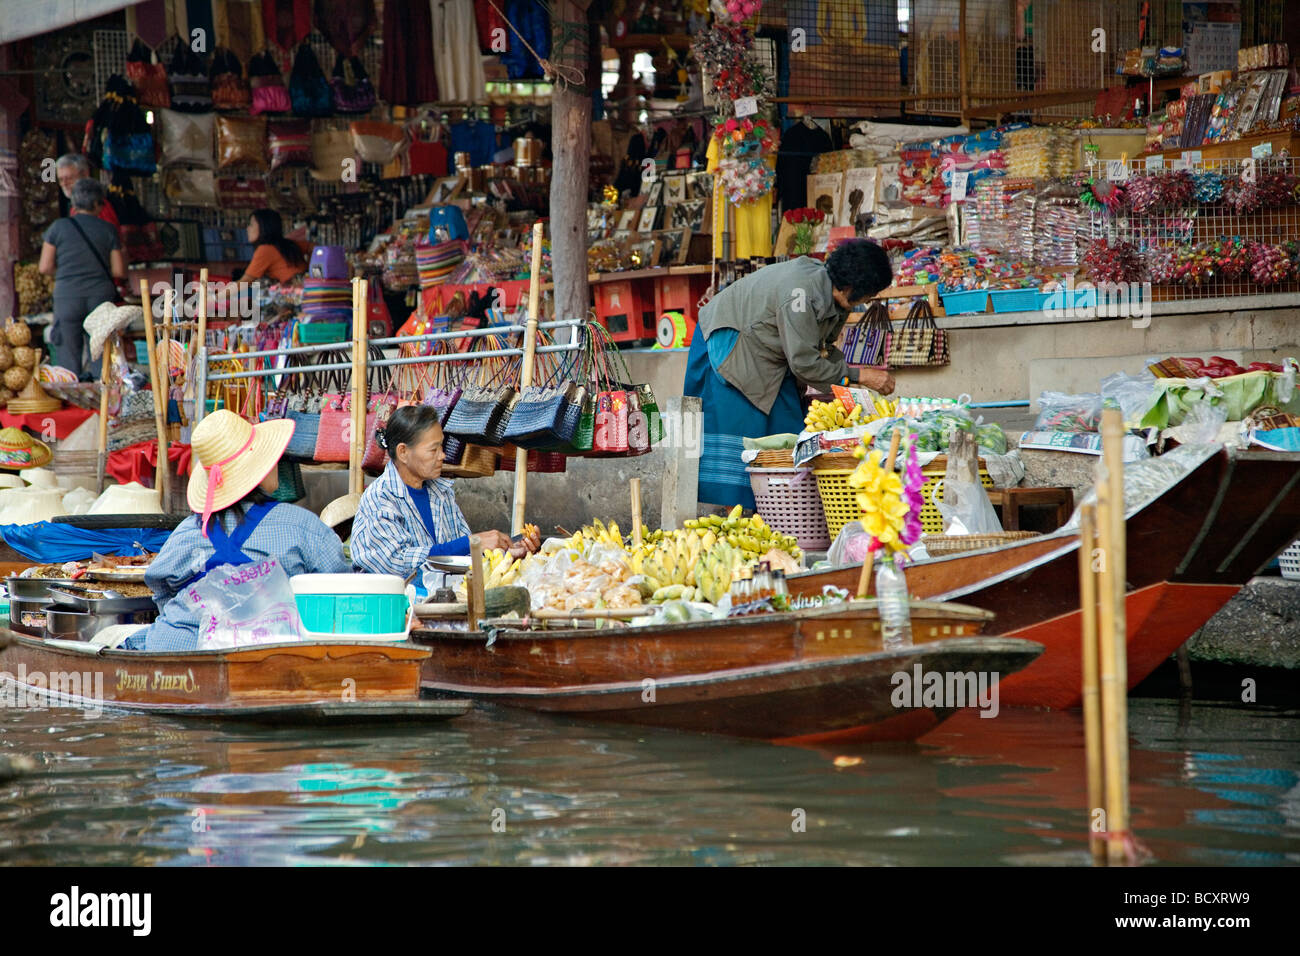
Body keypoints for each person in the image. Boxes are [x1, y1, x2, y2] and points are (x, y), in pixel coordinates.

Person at [683, 239, 897, 510]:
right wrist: (859, 375)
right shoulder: (801, 293)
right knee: (740, 429)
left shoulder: (837, 299)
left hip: (772, 354)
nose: (867, 301)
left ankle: (779, 512)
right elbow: (805, 363)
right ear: (853, 287)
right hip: (732, 343)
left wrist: (846, 379)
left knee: (789, 430)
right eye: (869, 294)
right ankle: (739, 518)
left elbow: (820, 349)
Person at [122, 409, 350, 651]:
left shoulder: (187, 531)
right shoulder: (303, 525)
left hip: (178, 646)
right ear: (259, 467)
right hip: (271, 653)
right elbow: (341, 590)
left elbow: (160, 587)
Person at [351, 405, 538, 596]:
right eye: (433, 450)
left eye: (441, 446)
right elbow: (395, 562)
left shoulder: (441, 493)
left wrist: (507, 553)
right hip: (393, 609)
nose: (443, 455)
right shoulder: (380, 497)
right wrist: (471, 542)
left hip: (441, 601)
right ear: (403, 453)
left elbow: (464, 558)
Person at [39, 178, 126, 378]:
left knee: (67, 352)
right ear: (97, 204)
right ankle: (102, 398)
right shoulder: (108, 229)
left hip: (67, 296)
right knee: (100, 350)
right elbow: (119, 271)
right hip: (99, 297)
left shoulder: (57, 227)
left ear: (74, 203)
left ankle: (71, 397)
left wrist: (66, 273)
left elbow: (45, 267)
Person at [55, 154, 120, 234]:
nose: (64, 184)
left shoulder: (99, 205)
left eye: (69, 178)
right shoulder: (75, 207)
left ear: (85, 174)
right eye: (60, 179)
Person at [238, 209, 307, 283]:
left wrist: (224, 294)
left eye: (251, 225)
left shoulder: (265, 250)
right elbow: (314, 247)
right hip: (305, 288)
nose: (247, 229)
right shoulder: (287, 244)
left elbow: (245, 282)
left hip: (293, 291)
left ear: (263, 226)